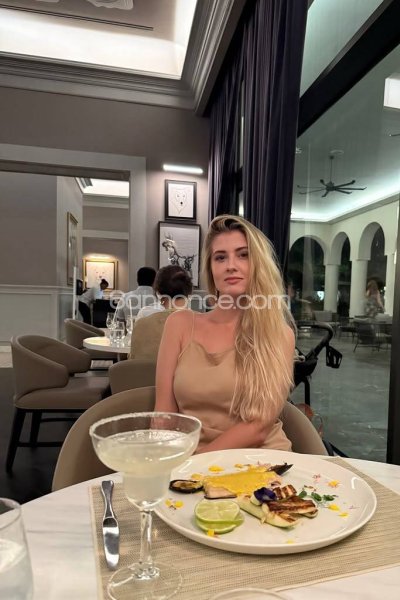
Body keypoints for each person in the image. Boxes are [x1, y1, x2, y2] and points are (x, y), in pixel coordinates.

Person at [156, 215, 295, 453]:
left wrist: (197, 462)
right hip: (189, 460)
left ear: (259, 264)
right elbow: (163, 414)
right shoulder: (179, 324)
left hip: (260, 459)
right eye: (220, 257)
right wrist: (164, 458)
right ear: (211, 269)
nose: (231, 265)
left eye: (243, 255)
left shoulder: (279, 335)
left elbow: (259, 427)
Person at [130, 265, 192, 360]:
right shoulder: (201, 323)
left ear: (158, 292)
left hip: (145, 370)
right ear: (189, 292)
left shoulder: (142, 321)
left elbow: (133, 357)